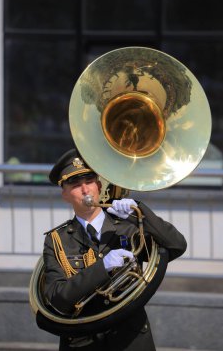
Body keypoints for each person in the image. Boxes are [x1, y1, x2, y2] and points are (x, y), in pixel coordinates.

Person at [42, 148, 187, 351]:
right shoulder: (56, 240)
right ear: (65, 194)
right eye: (75, 184)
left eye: (89, 181)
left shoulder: (128, 226)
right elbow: (58, 298)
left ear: (99, 186)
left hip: (131, 339)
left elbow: (177, 246)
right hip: (83, 341)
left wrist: (140, 211)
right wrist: (103, 267)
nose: (85, 190)